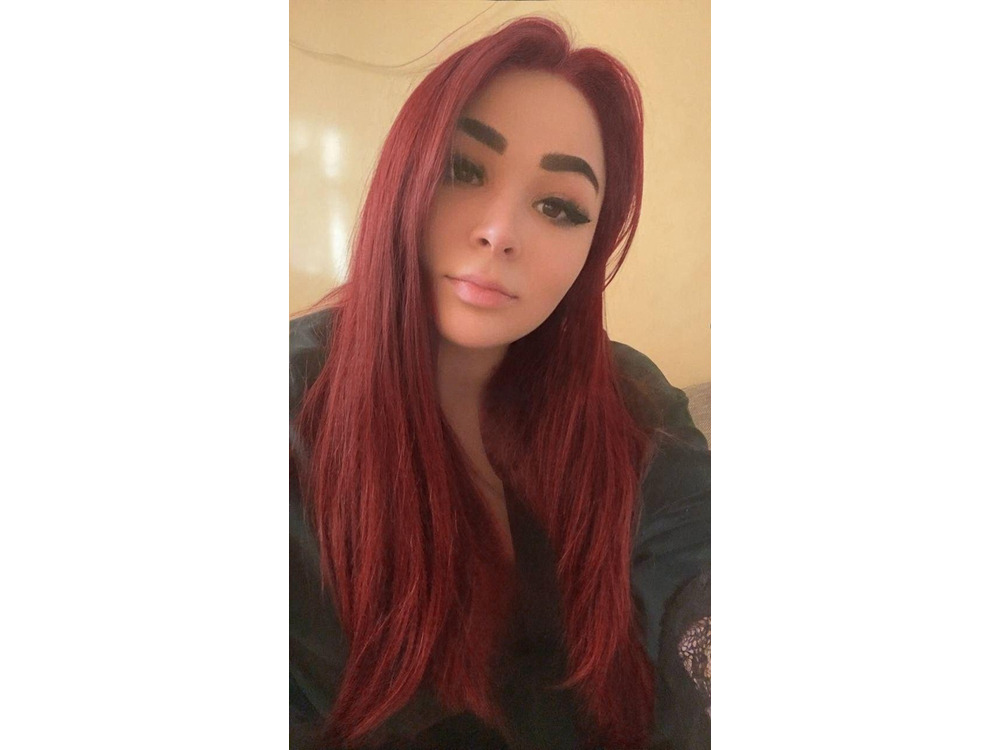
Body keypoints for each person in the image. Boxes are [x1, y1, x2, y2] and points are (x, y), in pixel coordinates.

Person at [290, 16, 710, 750]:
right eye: (463, 169)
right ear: (405, 179)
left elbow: (695, 560)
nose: (500, 231)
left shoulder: (630, 394)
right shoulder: (287, 402)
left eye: (558, 206)